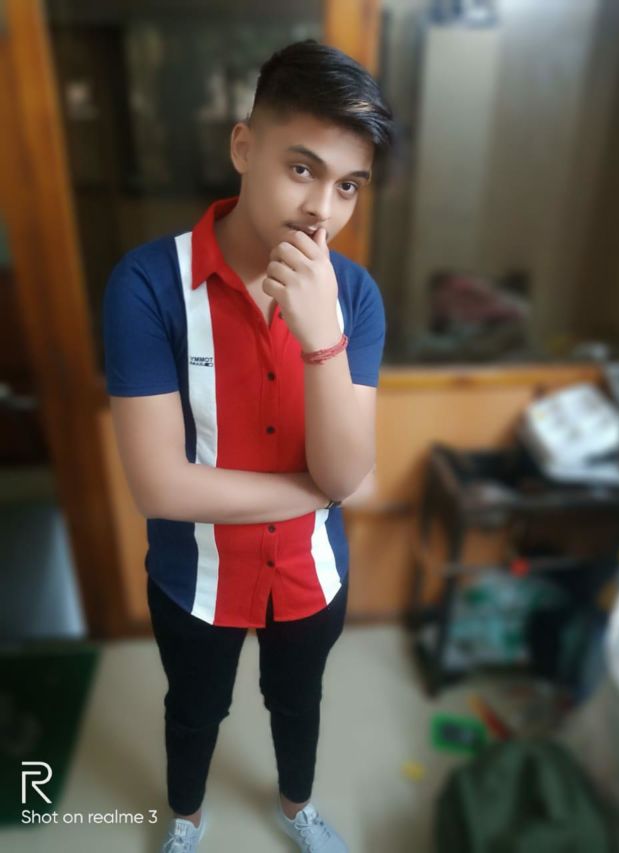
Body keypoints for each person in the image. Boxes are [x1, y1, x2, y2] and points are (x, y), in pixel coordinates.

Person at [102, 38, 394, 853]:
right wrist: (321, 490)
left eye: (348, 185)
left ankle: (297, 805)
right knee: (195, 708)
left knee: (299, 702)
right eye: (302, 169)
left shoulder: (354, 295)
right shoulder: (147, 285)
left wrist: (322, 339)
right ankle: (187, 820)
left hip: (311, 571)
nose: (322, 209)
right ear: (243, 147)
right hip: (194, 575)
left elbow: (346, 470)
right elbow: (161, 487)